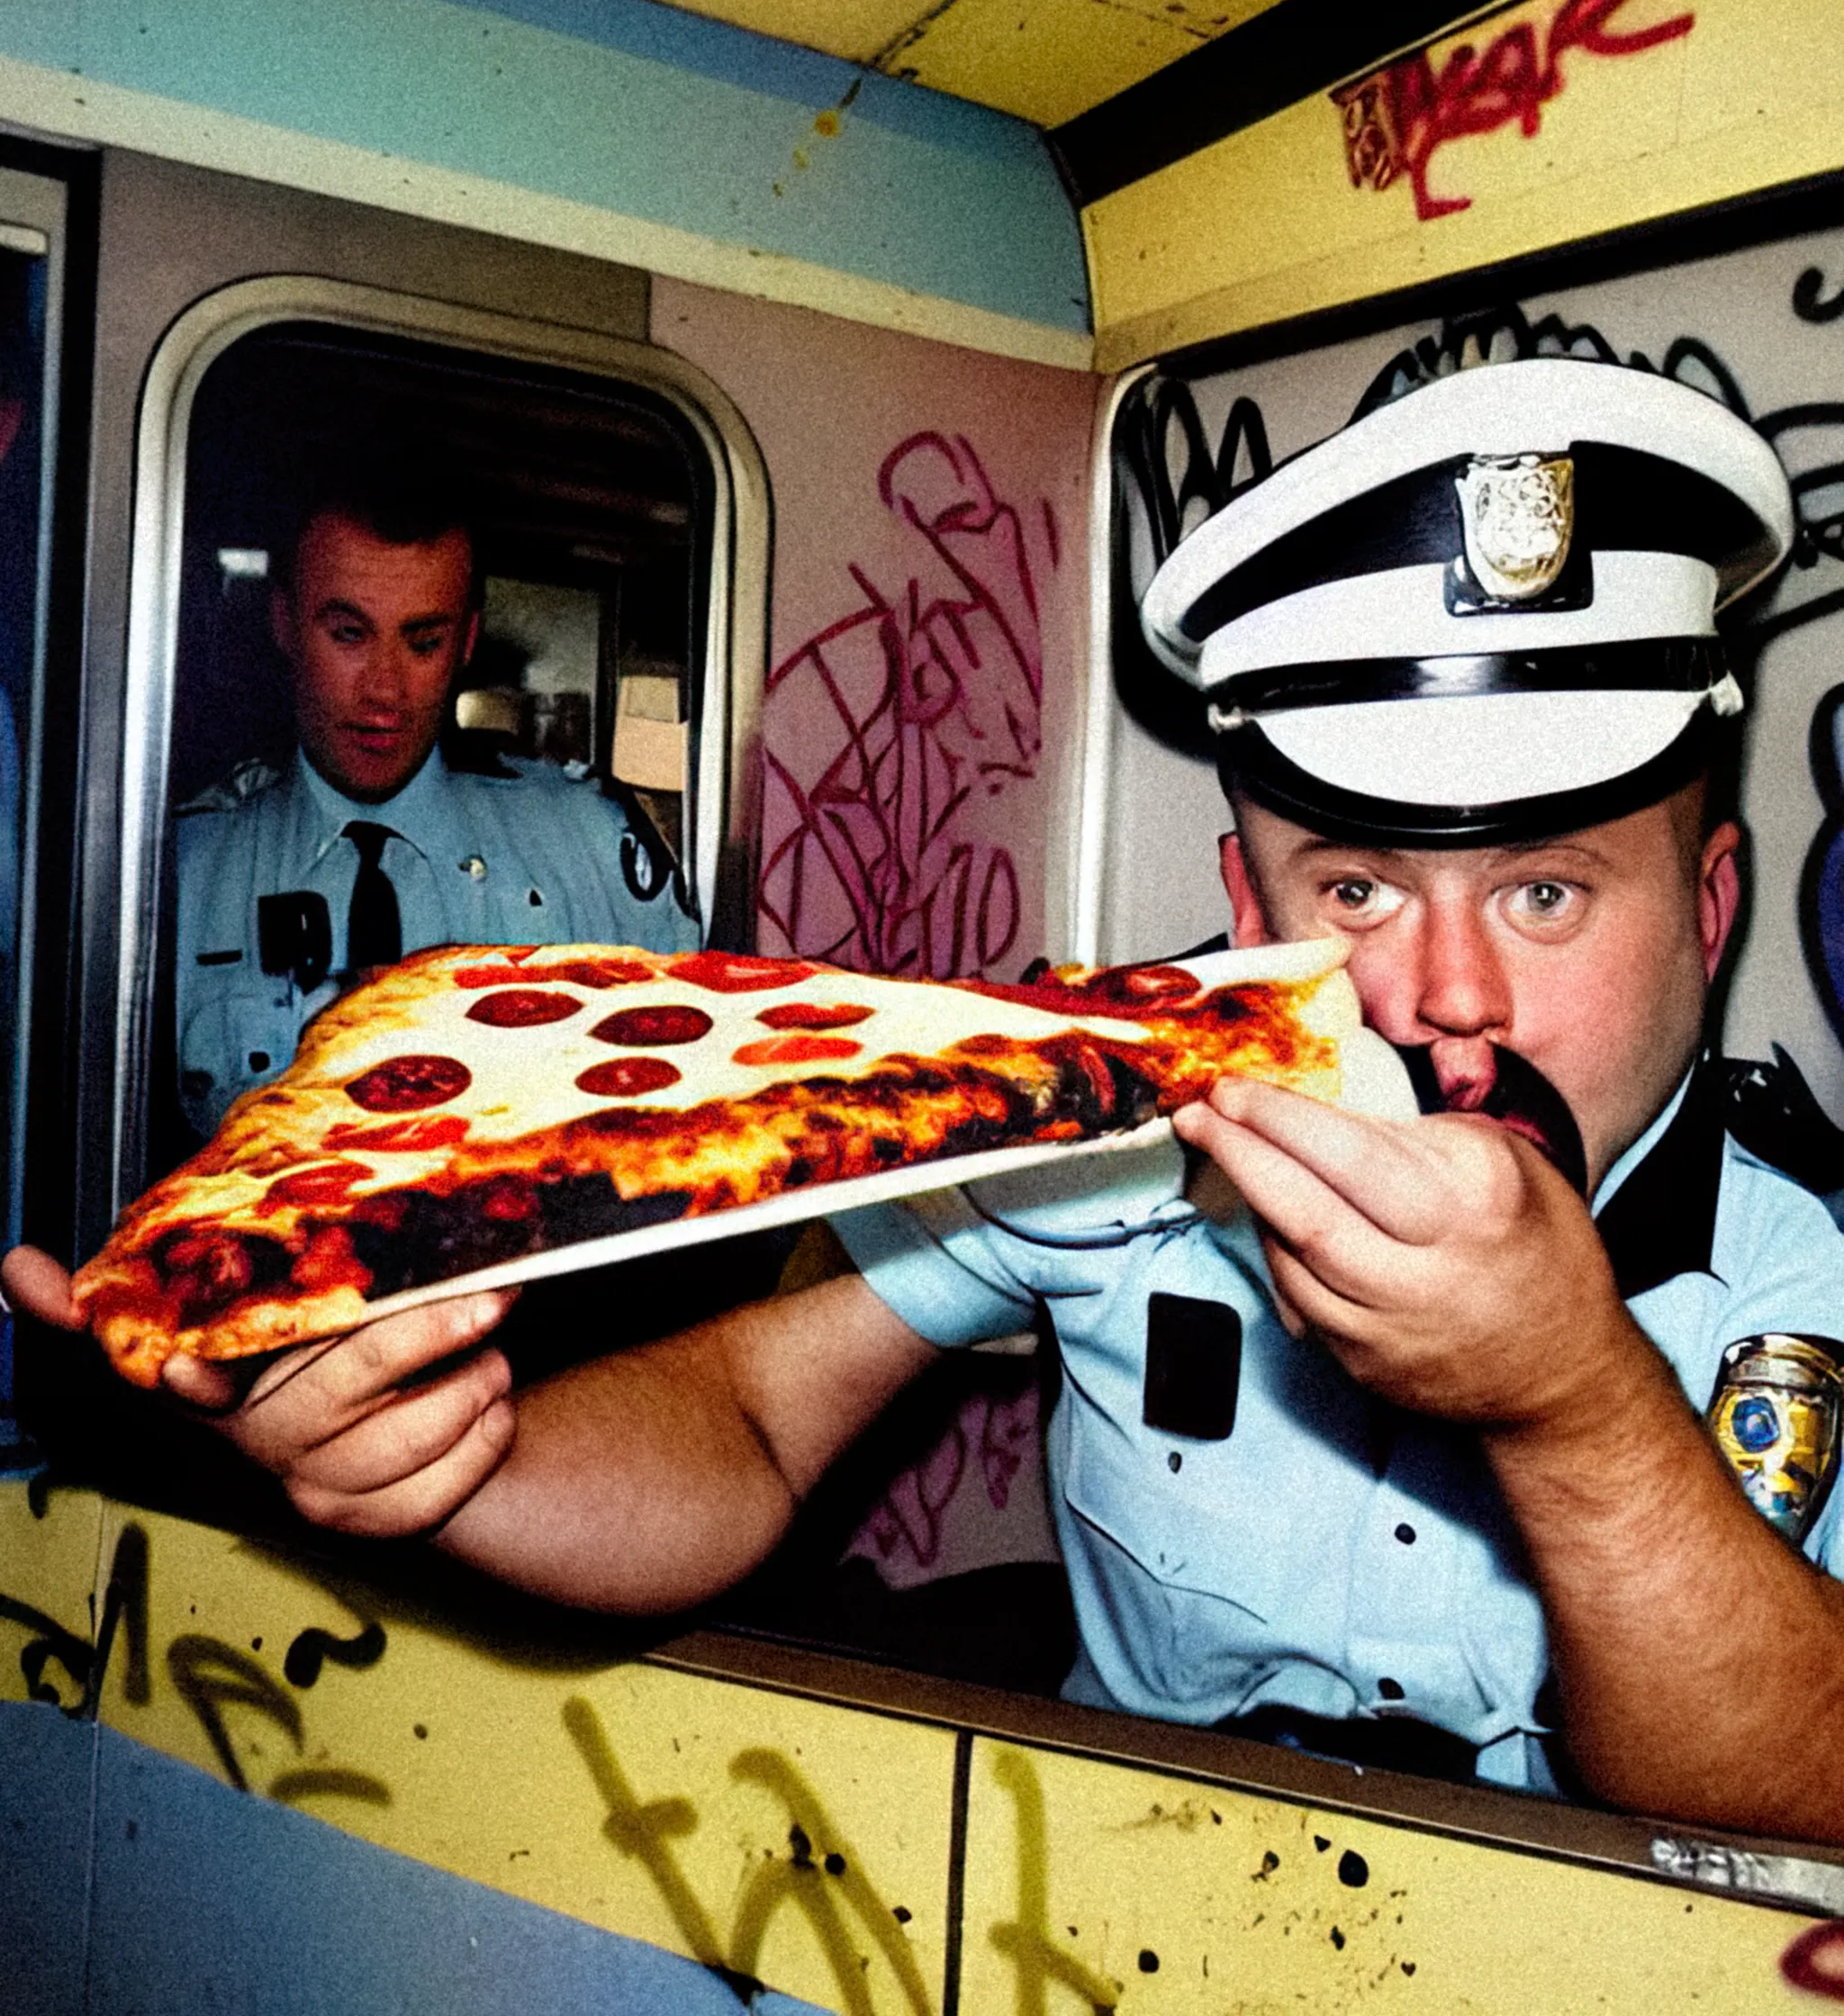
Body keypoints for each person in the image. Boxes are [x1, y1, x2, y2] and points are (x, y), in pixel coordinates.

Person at [13, 357, 1844, 1841]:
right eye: (1356, 889)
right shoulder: (1115, 1135)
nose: (1446, 994)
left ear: (1707, 906)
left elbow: (1803, 1795)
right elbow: (744, 1412)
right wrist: (447, 1459)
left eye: (1546, 890)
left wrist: (1584, 1414)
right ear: (1245, 907)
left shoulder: (1803, 1265)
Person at [173, 476, 699, 1134]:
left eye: (423, 643)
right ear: (283, 623)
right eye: (348, 634)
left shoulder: (591, 848)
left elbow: (699, 1109)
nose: (385, 691)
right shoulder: (183, 875)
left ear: (468, 640)